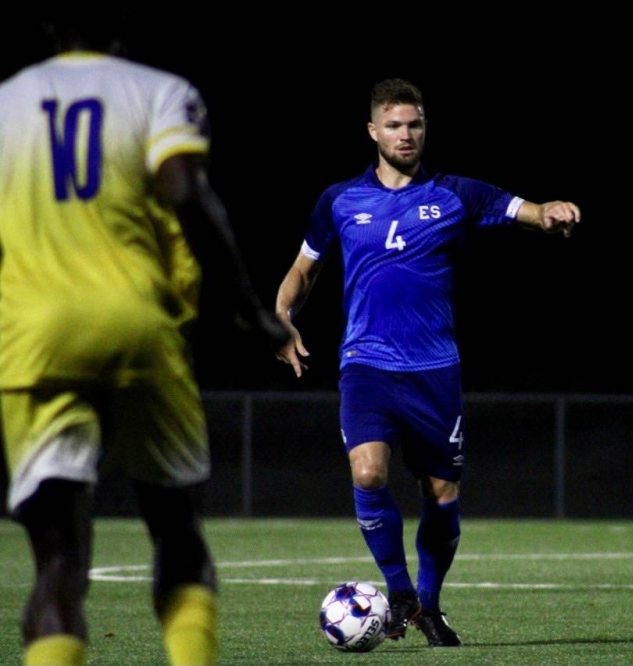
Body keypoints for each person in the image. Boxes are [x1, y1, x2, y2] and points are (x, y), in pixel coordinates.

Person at [0, 10, 290, 666]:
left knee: (57, 565)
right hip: (137, 328)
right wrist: (248, 306)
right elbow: (187, 194)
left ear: (49, 27)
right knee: (178, 533)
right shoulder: (157, 91)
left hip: (32, 339)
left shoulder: (7, 102)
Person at [274, 77, 580, 647]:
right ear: (373, 131)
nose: (405, 134)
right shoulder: (339, 200)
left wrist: (552, 212)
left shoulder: (456, 193)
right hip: (365, 363)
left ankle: (430, 606)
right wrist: (282, 317)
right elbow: (302, 270)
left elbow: (526, 210)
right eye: (393, 125)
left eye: (414, 124)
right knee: (367, 472)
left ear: (424, 128)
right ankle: (400, 591)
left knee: (441, 496)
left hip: (435, 371)